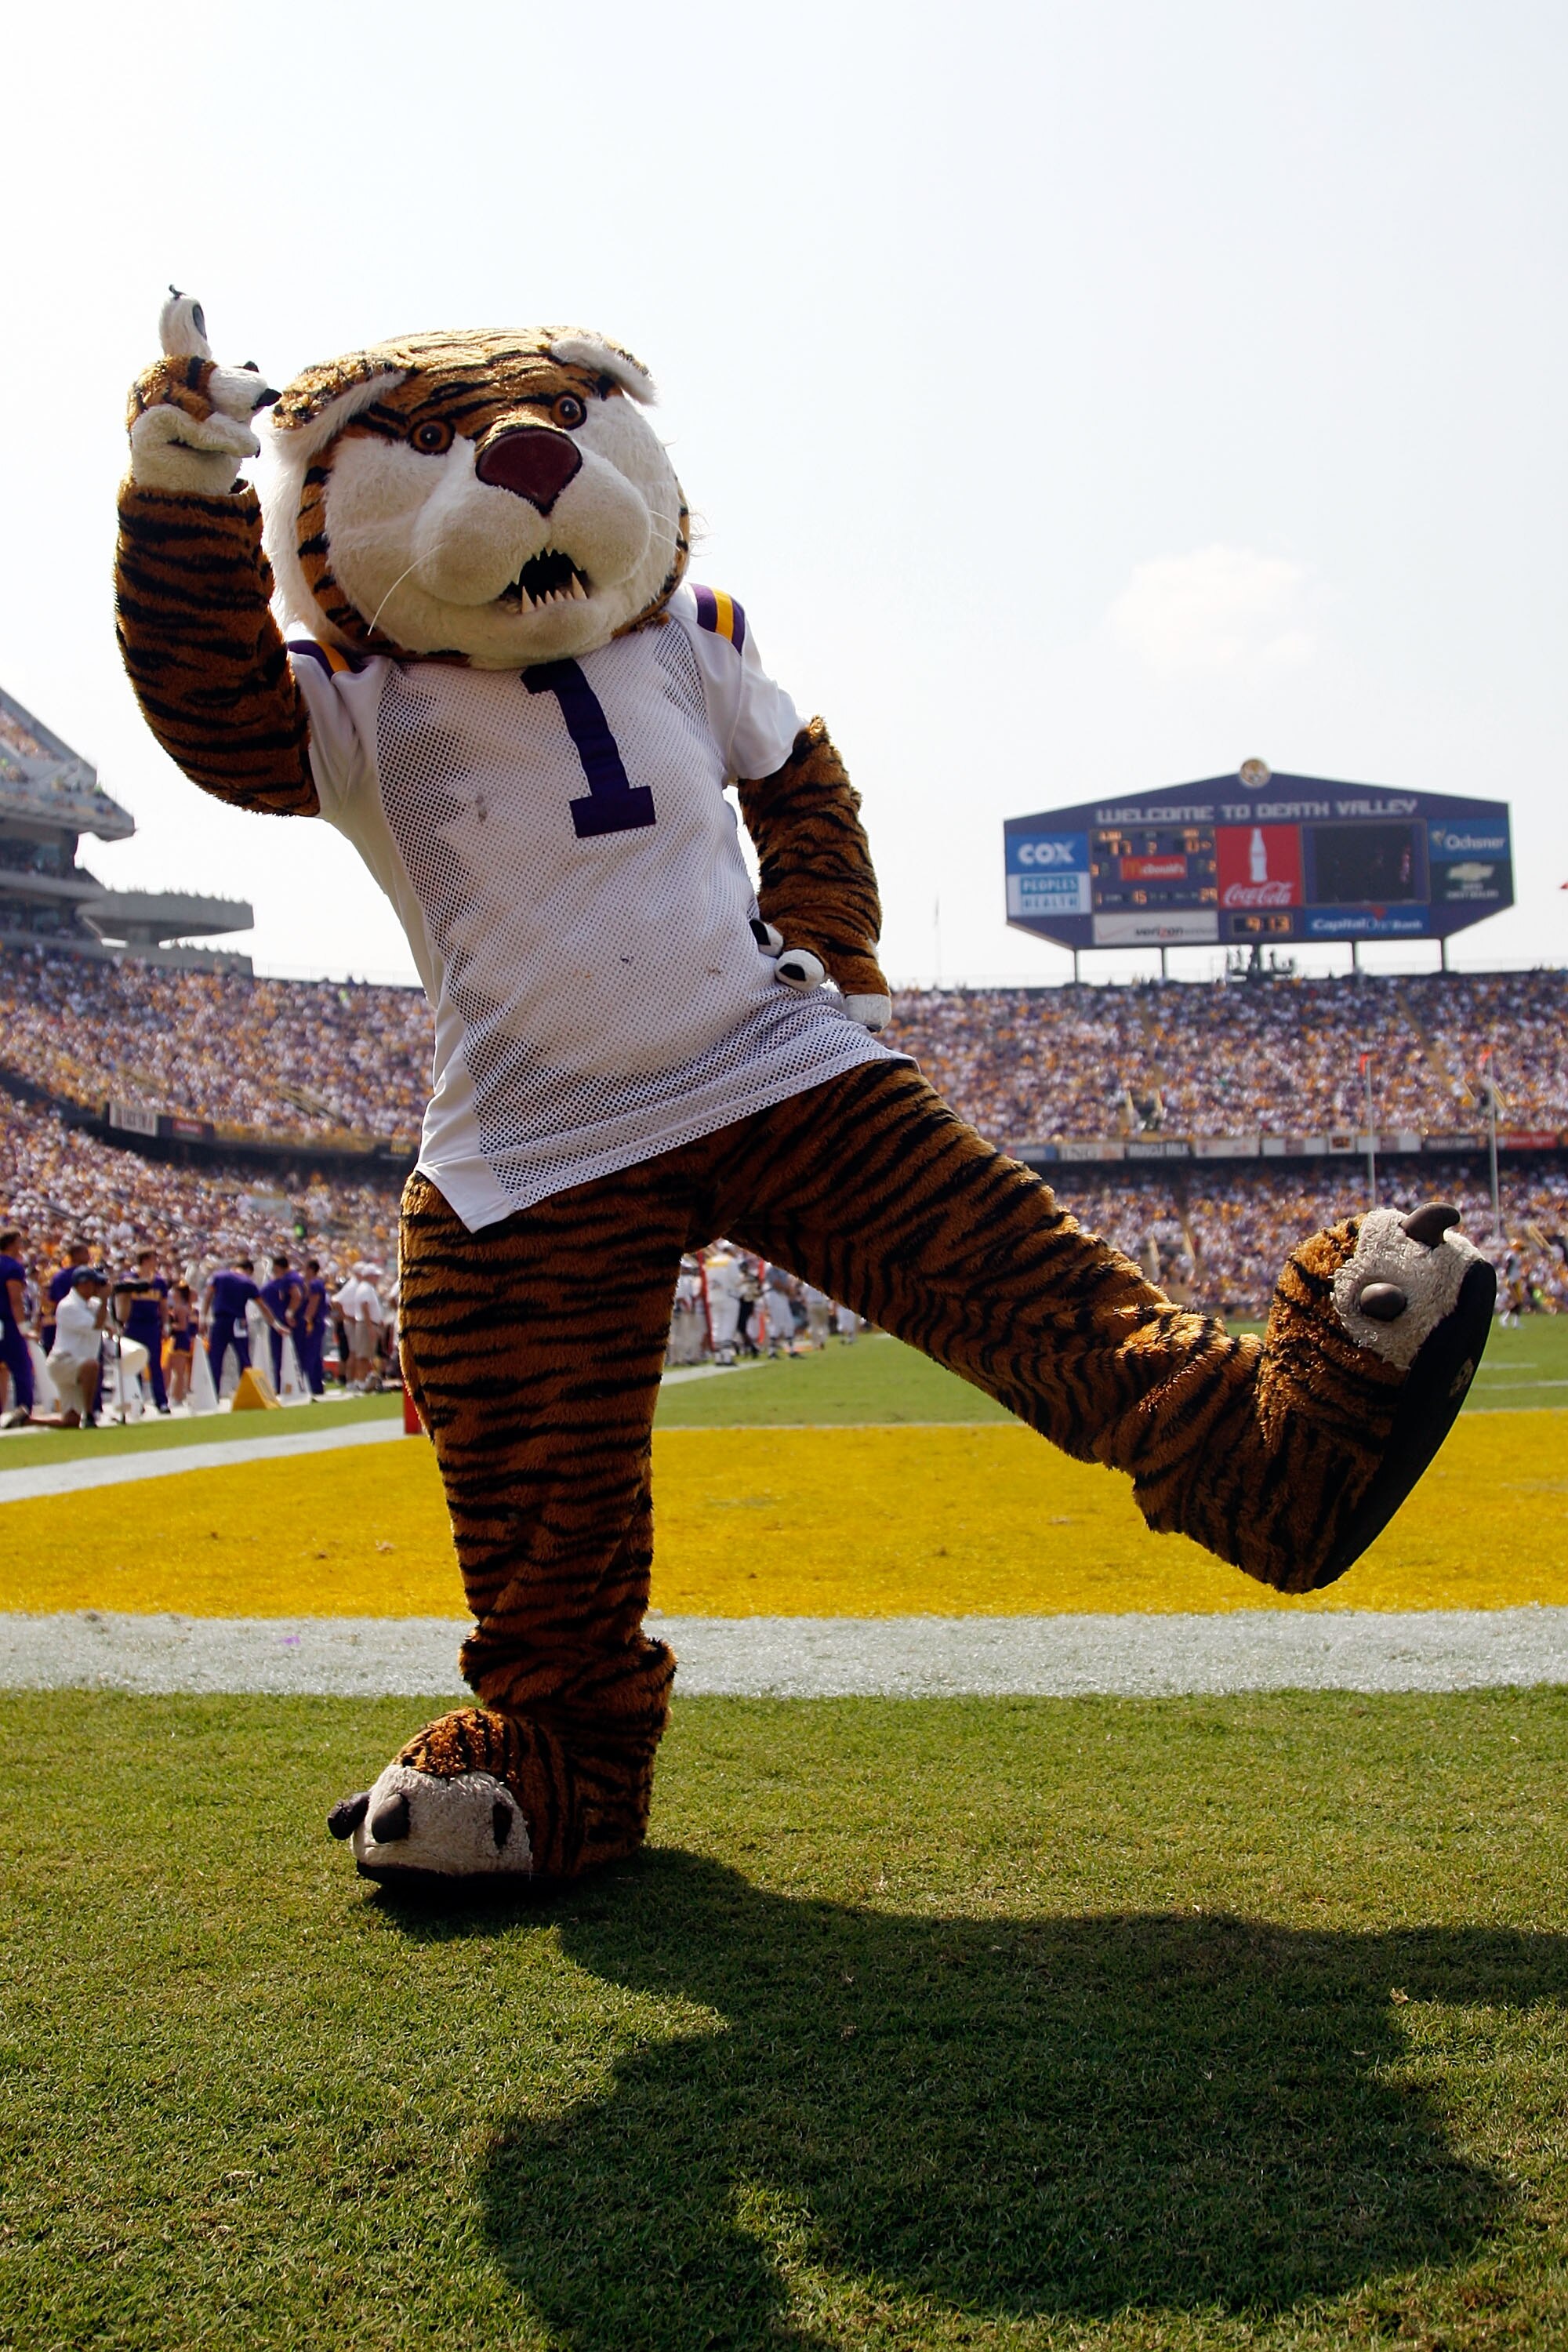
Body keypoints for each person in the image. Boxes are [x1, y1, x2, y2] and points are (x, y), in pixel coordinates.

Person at [49, 1266, 108, 1428]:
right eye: (94, 1283)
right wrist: (104, 1302)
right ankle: (89, 1415)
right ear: (82, 1285)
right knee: (92, 1365)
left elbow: (115, 1323)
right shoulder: (68, 1306)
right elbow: (96, 1325)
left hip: (77, 1365)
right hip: (63, 1362)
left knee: (70, 1422)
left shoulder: (94, 1304)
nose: (98, 1288)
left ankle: (25, 1421)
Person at [114, 1247, 170, 1414]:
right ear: (145, 1260)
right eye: (153, 1258)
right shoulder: (129, 1278)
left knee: (155, 1365)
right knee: (135, 1363)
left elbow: (164, 1306)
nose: (156, 1262)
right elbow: (122, 1294)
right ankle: (137, 1399)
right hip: (133, 1325)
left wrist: (165, 1324)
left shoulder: (159, 1282)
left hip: (152, 1325)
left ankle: (161, 1401)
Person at [205, 1254, 260, 1392]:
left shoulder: (219, 1276)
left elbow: (207, 1297)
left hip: (221, 1320)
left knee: (215, 1358)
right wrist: (276, 1324)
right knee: (244, 1357)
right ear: (248, 1270)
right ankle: (247, 1391)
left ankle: (213, 1392)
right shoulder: (248, 1282)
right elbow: (262, 1306)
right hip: (239, 1321)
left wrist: (203, 1318)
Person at [0, 1225, 34, 1428]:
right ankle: (24, 1412)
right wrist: (23, 1327)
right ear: (13, 1244)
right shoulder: (12, 1267)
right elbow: (15, 1299)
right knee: (22, 1368)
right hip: (7, 1323)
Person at [259, 1252, 303, 1389]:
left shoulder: (288, 1279)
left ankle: (284, 1386)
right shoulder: (286, 1279)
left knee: (282, 1356)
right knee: (286, 1356)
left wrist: (289, 1313)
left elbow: (297, 1295)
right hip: (281, 1321)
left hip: (284, 1322)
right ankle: (289, 1385)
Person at [42, 1239, 90, 1358]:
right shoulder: (63, 1276)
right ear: (77, 1255)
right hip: (72, 1327)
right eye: (86, 1253)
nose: (89, 1256)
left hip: (77, 1326)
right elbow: (57, 1303)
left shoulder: (61, 1275)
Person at [296, 1257, 329, 1396]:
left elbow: (313, 1304)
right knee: (315, 1355)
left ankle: (311, 1384)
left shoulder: (315, 1284)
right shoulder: (314, 1283)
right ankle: (316, 1386)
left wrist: (307, 1320)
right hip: (316, 1323)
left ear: (310, 1270)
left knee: (311, 1354)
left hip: (314, 1323)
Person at [166, 1279, 197, 1407]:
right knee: (175, 1370)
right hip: (179, 1340)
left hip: (181, 1339)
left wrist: (169, 1326)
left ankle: (177, 1397)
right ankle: (176, 1395)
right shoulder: (181, 1307)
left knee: (179, 1371)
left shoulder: (180, 1308)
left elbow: (183, 1326)